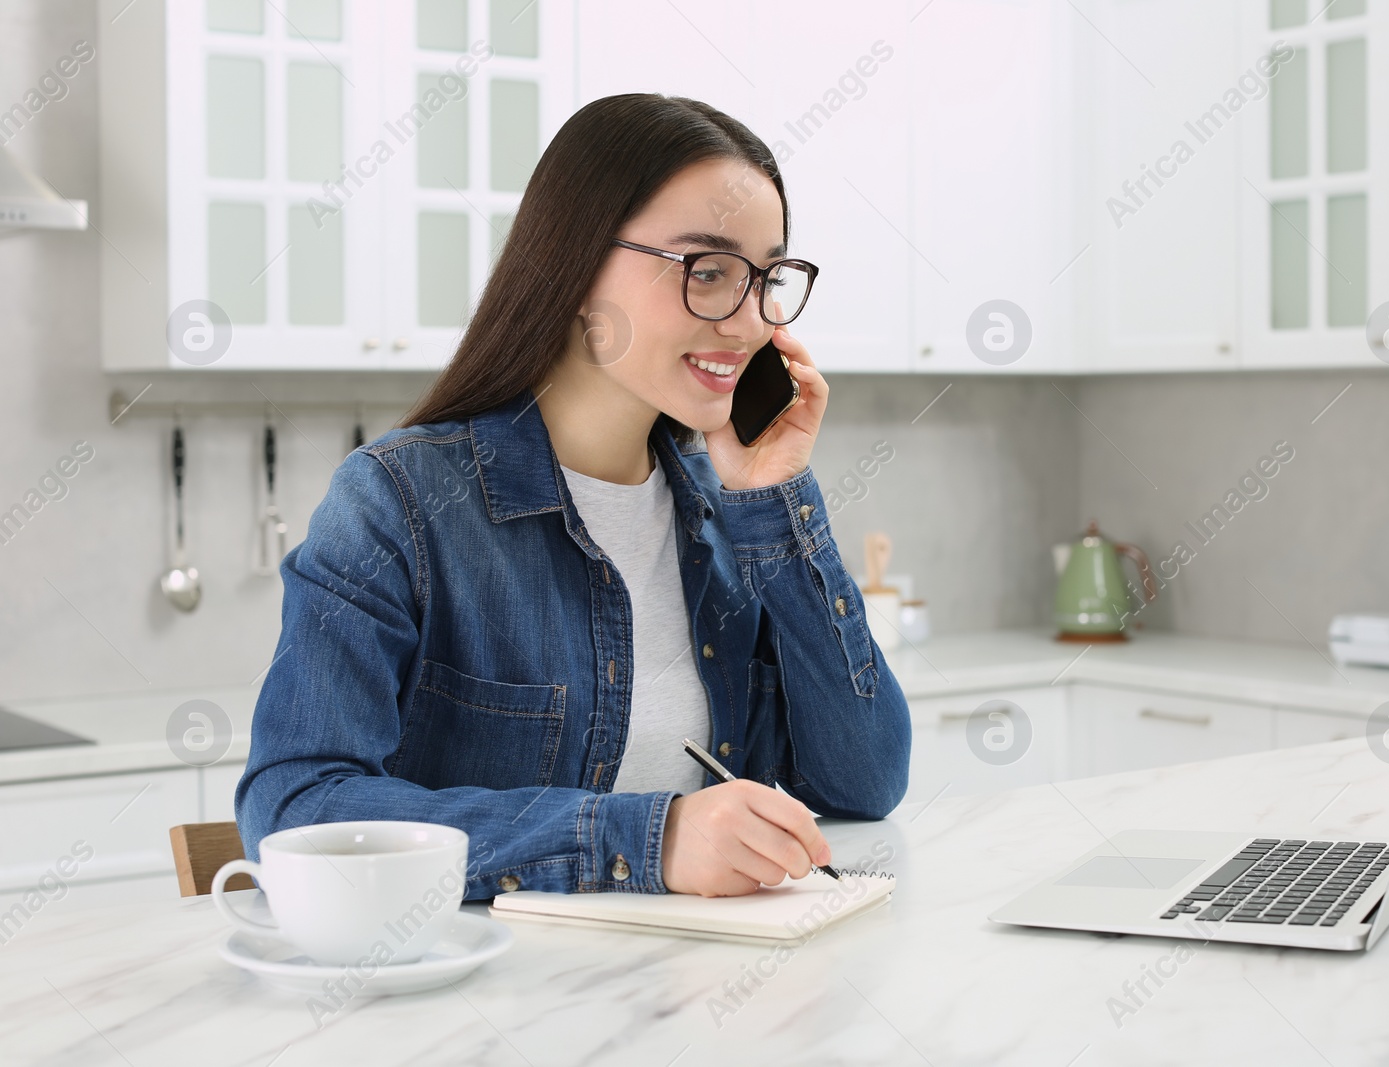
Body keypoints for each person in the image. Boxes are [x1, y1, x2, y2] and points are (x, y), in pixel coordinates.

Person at [236, 94, 912, 899]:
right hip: (474, 1005)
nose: (748, 321)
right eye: (710, 269)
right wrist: (646, 841)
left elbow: (864, 779)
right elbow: (297, 808)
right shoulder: (399, 503)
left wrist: (775, 501)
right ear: (575, 262)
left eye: (765, 278)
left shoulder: (730, 519)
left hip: (695, 994)